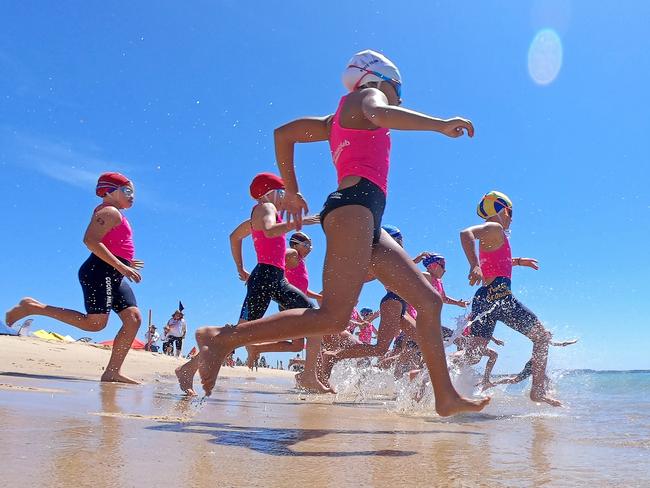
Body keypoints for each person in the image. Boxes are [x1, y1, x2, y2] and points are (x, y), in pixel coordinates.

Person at [196, 50, 488, 416]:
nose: (398, 97)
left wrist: (293, 189)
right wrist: (439, 124)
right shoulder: (367, 97)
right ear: (380, 79)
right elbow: (380, 113)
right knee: (333, 316)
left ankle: (445, 397)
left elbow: (283, 134)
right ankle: (222, 338)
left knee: (429, 302)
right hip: (354, 209)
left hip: (365, 215)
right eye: (398, 89)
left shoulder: (336, 119)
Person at [175, 173, 316, 395]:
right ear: (270, 192)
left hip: (273, 278)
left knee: (311, 314)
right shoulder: (266, 208)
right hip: (266, 278)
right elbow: (268, 231)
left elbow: (234, 236)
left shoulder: (259, 214)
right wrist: (300, 223)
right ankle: (193, 360)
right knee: (238, 335)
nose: (283, 198)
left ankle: (310, 375)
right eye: (281, 193)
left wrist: (240, 268)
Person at [5, 172, 143, 384]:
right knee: (95, 325)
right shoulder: (109, 212)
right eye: (127, 191)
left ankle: (112, 372)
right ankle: (33, 307)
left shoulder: (116, 213)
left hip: (113, 270)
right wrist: (120, 265)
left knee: (133, 318)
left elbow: (111, 243)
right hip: (100, 271)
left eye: (133, 191)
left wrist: (125, 262)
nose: (132, 195)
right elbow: (90, 241)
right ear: (109, 191)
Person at [458, 190, 560, 406]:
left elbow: (498, 261)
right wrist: (474, 265)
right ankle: (537, 391)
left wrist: (519, 261)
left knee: (473, 356)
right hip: (501, 298)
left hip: (485, 298)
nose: (512, 219)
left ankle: (428, 368)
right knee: (541, 338)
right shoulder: (494, 227)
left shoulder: (496, 235)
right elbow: (465, 234)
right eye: (511, 213)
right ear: (504, 210)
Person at [484, 339, 578, 389]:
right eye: (549, 334)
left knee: (547, 380)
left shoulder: (547, 342)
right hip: (532, 364)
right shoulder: (542, 341)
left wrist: (571, 342)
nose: (550, 335)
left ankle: (547, 392)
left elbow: (561, 344)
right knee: (515, 380)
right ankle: (492, 383)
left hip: (537, 365)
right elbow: (561, 344)